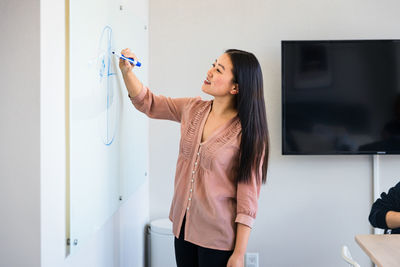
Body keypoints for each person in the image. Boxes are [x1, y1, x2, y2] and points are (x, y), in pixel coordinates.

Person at [118, 48, 269, 267]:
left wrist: (238, 254)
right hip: (182, 230)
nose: (209, 71)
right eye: (213, 64)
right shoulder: (193, 109)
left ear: (235, 87)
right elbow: (148, 103)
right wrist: (127, 72)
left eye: (218, 70)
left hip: (218, 242)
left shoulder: (248, 134)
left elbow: (248, 203)